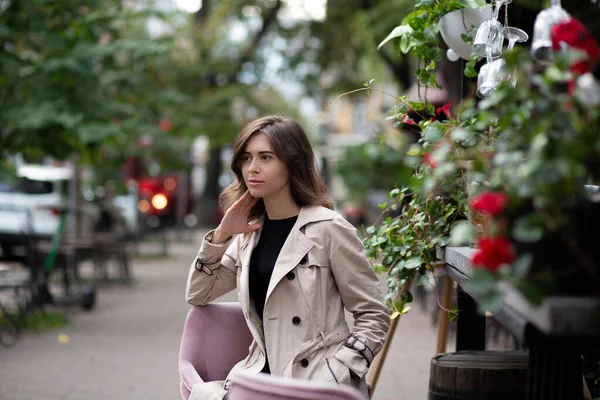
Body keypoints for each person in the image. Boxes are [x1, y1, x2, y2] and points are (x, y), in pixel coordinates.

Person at [185, 115, 390, 400]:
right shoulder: (248, 234)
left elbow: (374, 315)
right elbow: (198, 293)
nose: (252, 169)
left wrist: (338, 371)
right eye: (246, 158)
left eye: (265, 157)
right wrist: (221, 235)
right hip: (260, 377)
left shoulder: (328, 228)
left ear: (292, 163)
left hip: (317, 380)